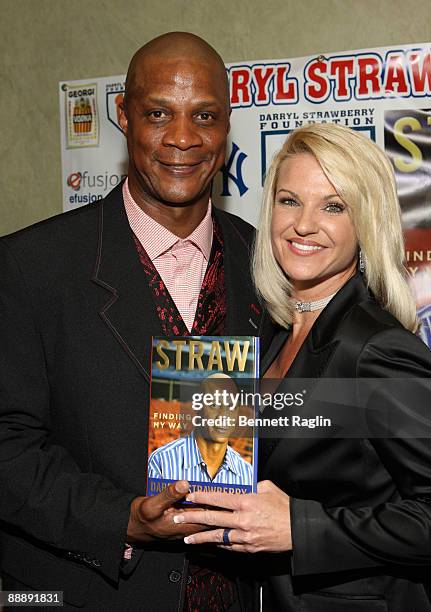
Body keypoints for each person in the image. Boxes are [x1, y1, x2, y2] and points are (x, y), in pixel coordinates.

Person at [0, 32, 274, 611]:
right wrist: (120, 520)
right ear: (123, 116)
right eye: (158, 114)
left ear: (228, 128)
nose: (182, 138)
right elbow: (7, 448)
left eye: (204, 116)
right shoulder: (31, 267)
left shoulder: (267, 267)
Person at [171, 123, 431, 611]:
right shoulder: (270, 337)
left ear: (365, 222)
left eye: (333, 206)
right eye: (289, 201)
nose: (303, 224)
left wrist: (299, 528)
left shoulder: (376, 349)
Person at [148, 374, 253, 486]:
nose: (223, 416)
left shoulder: (247, 473)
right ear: (198, 407)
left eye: (231, 406)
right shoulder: (161, 461)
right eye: (214, 405)